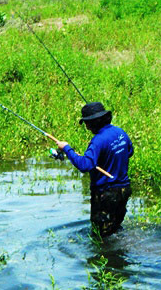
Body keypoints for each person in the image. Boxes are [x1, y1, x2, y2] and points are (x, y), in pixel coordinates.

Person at [54, 102, 133, 238]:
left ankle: (106, 256)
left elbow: (85, 165)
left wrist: (66, 148)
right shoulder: (120, 133)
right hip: (124, 190)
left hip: (106, 194)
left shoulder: (98, 140)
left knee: (100, 235)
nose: (87, 127)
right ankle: (120, 255)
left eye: (87, 123)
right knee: (115, 227)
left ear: (94, 122)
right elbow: (129, 151)